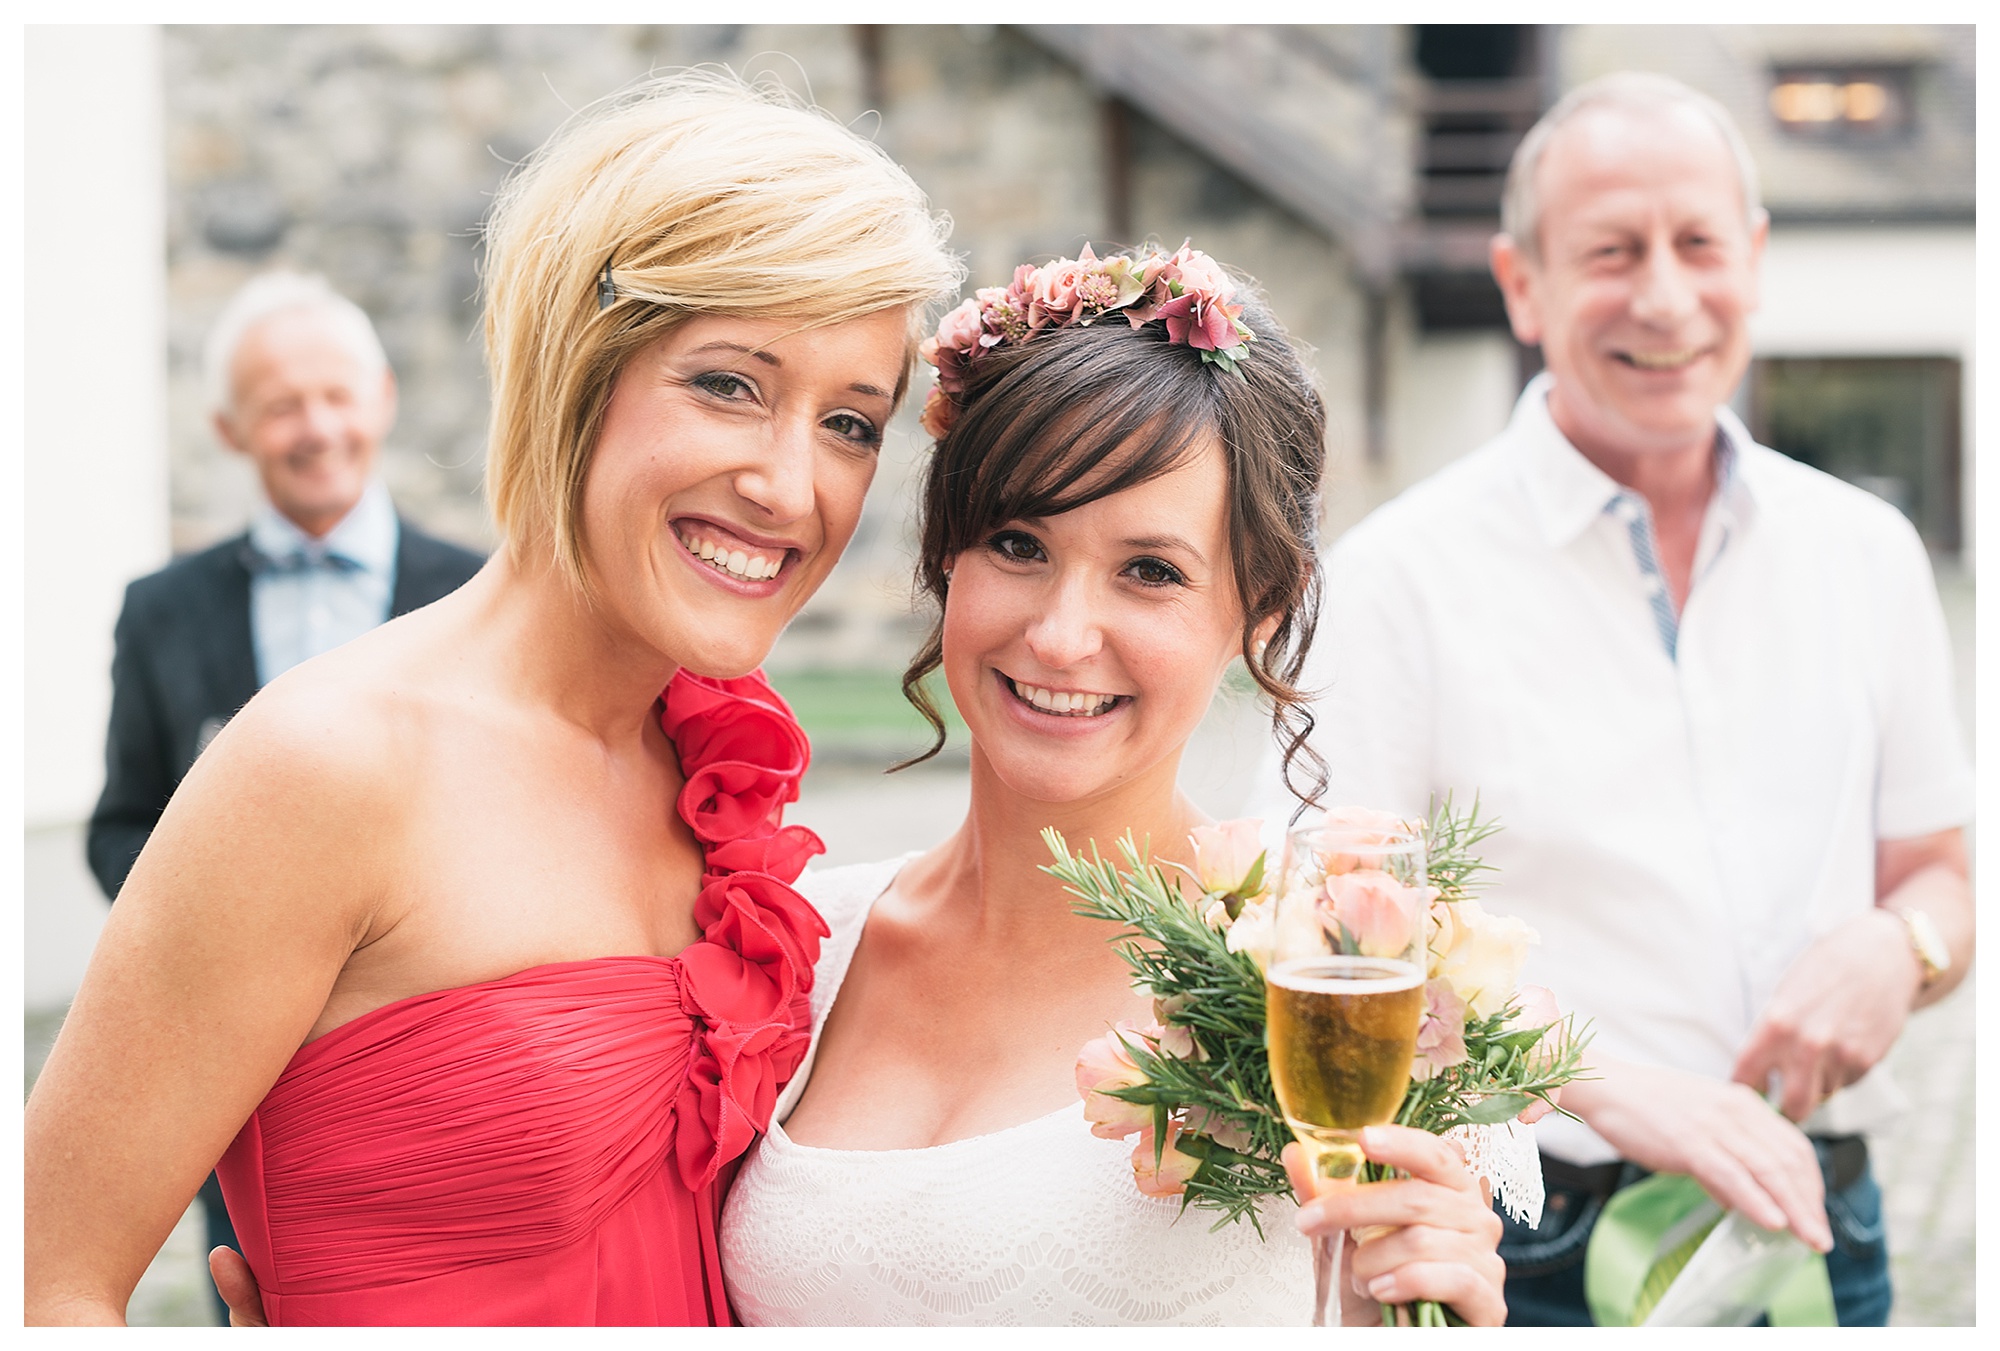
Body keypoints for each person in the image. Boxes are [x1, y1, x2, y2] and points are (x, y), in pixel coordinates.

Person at [25, 71, 959, 1326]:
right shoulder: (329, 766)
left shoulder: (714, 782)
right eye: (730, 384)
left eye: (850, 421)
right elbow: (42, 1284)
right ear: (578, 368)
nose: (791, 487)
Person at [1252, 73, 1974, 1326]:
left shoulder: (1867, 551)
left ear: (1751, 259)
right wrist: (1600, 1081)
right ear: (1519, 283)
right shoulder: (1392, 583)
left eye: (1697, 243)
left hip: (1821, 1219)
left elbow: (1938, 872)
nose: (1661, 294)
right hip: (1537, 1241)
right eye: (1608, 251)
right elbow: (1318, 944)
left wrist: (1896, 944)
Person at [718, 245, 1513, 1326]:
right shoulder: (796, 949)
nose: (1059, 634)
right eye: (1016, 543)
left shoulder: (1335, 982)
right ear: (948, 557)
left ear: (1260, 605)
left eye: (1149, 571)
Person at [84, 274, 485, 1322]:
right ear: (229, 427)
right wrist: (212, 910)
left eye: (335, 395)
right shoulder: (159, 612)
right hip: (238, 1077)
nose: (316, 428)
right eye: (280, 405)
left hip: (439, 1056)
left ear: (382, 398)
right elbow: (121, 821)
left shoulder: (480, 593)